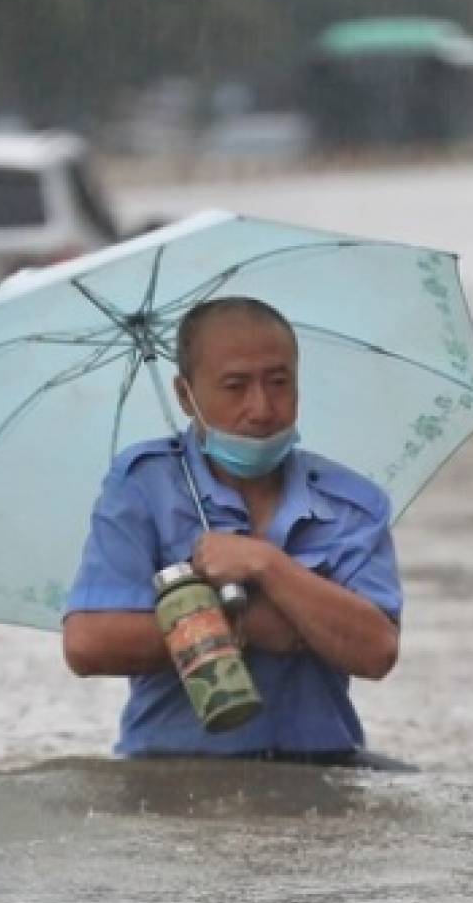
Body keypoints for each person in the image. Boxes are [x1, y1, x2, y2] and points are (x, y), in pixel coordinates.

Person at [62, 296, 402, 761]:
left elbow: (377, 650)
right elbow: (88, 643)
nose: (261, 408)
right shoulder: (143, 486)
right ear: (186, 396)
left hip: (321, 770)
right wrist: (242, 624)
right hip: (173, 772)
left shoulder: (352, 504)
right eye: (235, 386)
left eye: (279, 383)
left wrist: (266, 564)